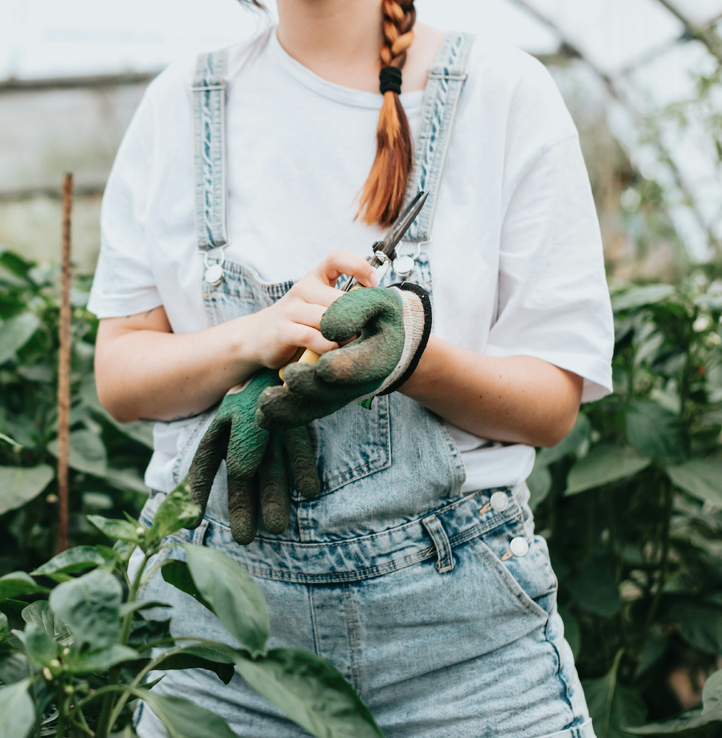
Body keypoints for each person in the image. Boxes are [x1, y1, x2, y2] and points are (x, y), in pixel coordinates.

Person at [88, 0, 613, 736]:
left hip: (461, 656)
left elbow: (551, 402)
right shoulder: (180, 106)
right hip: (224, 651)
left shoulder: (502, 93)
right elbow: (120, 374)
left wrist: (409, 356)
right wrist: (253, 339)